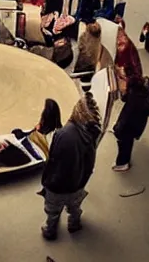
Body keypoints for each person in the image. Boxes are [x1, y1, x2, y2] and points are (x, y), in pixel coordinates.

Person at [40, 92, 101, 241]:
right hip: (77, 183)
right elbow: (90, 163)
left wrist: (47, 181)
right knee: (74, 207)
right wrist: (82, 181)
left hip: (57, 186)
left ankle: (50, 230)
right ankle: (74, 224)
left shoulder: (63, 134)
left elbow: (53, 160)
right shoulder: (91, 134)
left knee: (52, 210)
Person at [112, 76, 149, 172]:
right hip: (136, 125)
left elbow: (125, 120)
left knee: (124, 145)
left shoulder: (134, 102)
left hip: (128, 128)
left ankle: (122, 163)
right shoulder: (142, 93)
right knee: (127, 141)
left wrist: (118, 130)